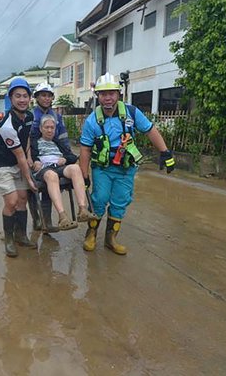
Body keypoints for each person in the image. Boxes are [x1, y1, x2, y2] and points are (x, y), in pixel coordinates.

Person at [79, 72, 175, 255]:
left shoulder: (131, 113)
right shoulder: (92, 120)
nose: (108, 98)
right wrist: (84, 175)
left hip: (125, 168)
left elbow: (150, 130)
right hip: (103, 169)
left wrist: (165, 152)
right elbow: (85, 149)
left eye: (112, 93)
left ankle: (110, 239)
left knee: (120, 202)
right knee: (99, 199)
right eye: (103, 94)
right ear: (98, 96)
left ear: (118, 94)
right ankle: (91, 234)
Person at [0, 77, 38, 257]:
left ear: (30, 98)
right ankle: (8, 240)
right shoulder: (7, 125)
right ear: (11, 98)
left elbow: (26, 142)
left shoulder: (30, 117)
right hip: (1, 164)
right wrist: (30, 179)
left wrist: (30, 156)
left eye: (25, 96)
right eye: (18, 96)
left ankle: (21, 235)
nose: (22, 99)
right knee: (12, 201)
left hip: (19, 162)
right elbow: (19, 156)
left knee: (23, 199)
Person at [31, 114, 92, 230]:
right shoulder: (35, 143)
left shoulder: (58, 142)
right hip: (44, 169)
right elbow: (30, 157)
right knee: (52, 175)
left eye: (52, 128)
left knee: (75, 168)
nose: (49, 130)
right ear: (40, 129)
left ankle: (83, 209)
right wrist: (35, 161)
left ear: (55, 129)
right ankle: (62, 216)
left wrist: (65, 159)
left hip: (59, 166)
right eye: (46, 127)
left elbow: (72, 156)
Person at [28, 82, 70, 233]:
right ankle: (37, 220)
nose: (46, 98)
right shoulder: (30, 116)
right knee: (32, 189)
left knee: (47, 188)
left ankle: (47, 222)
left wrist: (67, 157)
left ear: (52, 98)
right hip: (33, 157)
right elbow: (25, 140)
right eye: (42, 95)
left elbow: (63, 138)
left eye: (48, 95)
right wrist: (30, 160)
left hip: (51, 158)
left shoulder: (57, 117)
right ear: (37, 97)